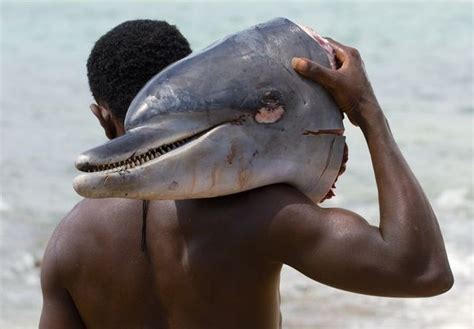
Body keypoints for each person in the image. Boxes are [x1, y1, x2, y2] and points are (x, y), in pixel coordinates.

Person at [39, 20, 453, 329]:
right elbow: (422, 270)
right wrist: (368, 112)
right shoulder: (256, 211)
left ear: (102, 117)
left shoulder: (68, 242)